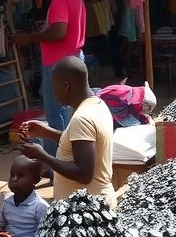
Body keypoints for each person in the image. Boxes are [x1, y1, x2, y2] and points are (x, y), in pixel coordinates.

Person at [11, 0, 86, 155]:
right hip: (73, 59)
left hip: (58, 65)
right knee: (69, 114)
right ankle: (69, 156)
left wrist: (30, 38)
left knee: (55, 116)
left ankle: (55, 160)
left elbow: (59, 32)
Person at [20, 56, 116, 207]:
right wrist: (46, 132)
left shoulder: (82, 118)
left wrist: (42, 155)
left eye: (54, 86)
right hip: (91, 204)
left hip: (89, 210)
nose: (53, 92)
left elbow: (83, 174)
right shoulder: (97, 105)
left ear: (66, 86)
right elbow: (77, 144)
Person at [0, 156, 48, 237]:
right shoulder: (7, 202)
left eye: (21, 175)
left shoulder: (39, 206)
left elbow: (45, 235)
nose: (14, 179)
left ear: (35, 180)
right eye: (12, 175)